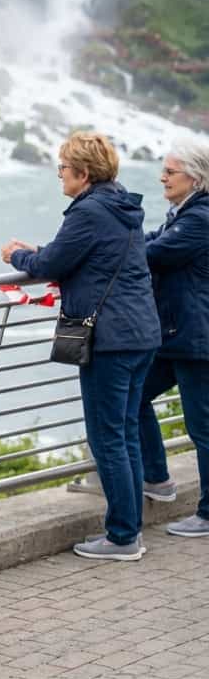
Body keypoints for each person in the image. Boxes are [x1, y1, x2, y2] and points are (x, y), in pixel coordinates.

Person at [1, 131, 161, 561]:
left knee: (107, 437)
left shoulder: (88, 212)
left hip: (110, 338)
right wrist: (42, 250)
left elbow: (51, 263)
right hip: (141, 331)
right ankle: (129, 530)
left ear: (83, 174)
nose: (59, 177)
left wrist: (17, 256)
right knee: (124, 432)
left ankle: (123, 536)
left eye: (62, 170)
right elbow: (84, 254)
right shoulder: (122, 204)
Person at [137, 141, 209, 538]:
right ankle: (157, 478)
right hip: (174, 336)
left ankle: (208, 513)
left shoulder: (199, 219)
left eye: (170, 172)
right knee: (134, 394)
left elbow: (152, 253)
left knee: (203, 427)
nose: (162, 177)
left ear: (194, 180)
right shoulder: (180, 214)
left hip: (196, 338)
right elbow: (148, 242)